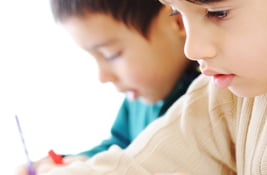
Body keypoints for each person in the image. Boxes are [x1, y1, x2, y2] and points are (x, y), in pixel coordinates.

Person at [45, 0, 267, 174]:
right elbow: (140, 167)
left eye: (217, 12)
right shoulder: (223, 96)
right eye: (177, 12)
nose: (192, 48)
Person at [15, 0, 199, 174]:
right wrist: (76, 162)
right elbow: (118, 146)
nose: (102, 77)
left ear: (178, 20)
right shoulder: (139, 98)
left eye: (111, 54)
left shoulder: (206, 103)